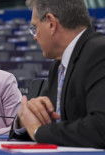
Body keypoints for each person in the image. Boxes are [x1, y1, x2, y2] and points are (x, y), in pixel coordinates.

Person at [9, 0, 105, 148]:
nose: (34, 36)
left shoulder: (99, 52)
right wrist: (25, 117)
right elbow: (49, 123)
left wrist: (38, 131)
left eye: (35, 27)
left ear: (51, 23)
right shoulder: (58, 66)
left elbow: (100, 127)